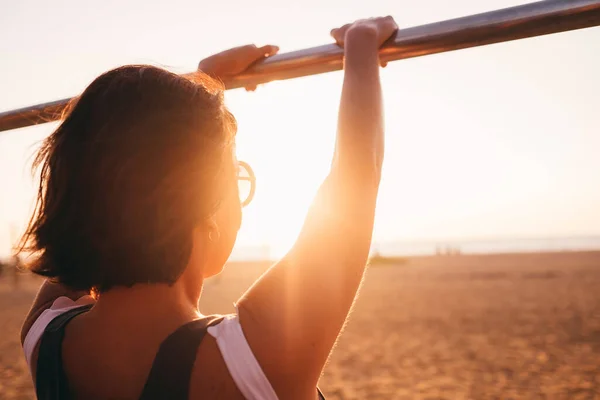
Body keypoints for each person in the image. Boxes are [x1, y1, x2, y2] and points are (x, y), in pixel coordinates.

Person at [19, 16, 397, 399]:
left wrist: (203, 83)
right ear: (206, 201)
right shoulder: (250, 360)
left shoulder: (45, 339)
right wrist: (361, 40)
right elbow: (355, 180)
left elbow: (98, 188)